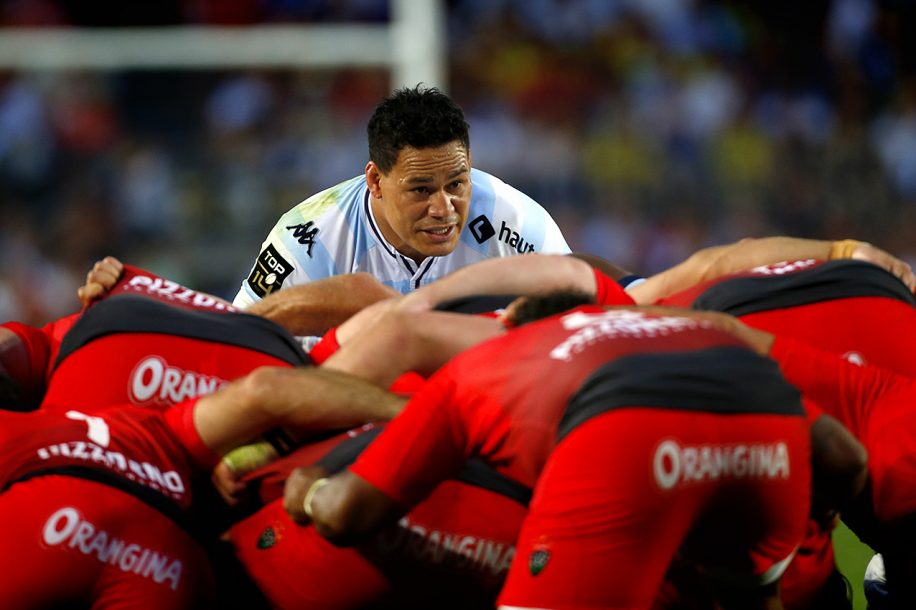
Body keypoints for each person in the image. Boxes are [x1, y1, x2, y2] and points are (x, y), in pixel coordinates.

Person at [284, 301, 816, 609]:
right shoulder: (680, 331)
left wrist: (311, 488)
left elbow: (348, 515)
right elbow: (844, 455)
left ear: (511, 320)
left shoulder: (490, 362)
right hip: (770, 424)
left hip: (623, 432)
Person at [232, 84, 571, 313]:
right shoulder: (307, 239)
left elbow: (585, 322)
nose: (443, 210)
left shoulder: (516, 220)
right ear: (375, 180)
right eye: (421, 190)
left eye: (456, 184)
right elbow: (242, 337)